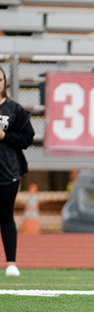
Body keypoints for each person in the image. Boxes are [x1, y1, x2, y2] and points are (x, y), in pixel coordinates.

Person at [0, 66, 35, 277]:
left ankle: (11, 263)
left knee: (5, 216)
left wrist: (5, 137)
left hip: (7, 172)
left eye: (0, 79)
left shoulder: (14, 109)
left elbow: (27, 139)